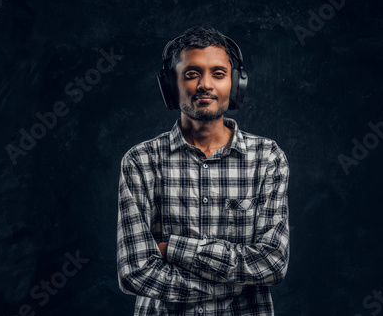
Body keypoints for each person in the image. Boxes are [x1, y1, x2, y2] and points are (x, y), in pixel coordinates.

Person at [117, 26, 290, 315]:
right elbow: (135, 272)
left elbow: (272, 263)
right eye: (192, 73)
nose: (205, 84)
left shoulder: (267, 158)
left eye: (218, 74)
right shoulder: (141, 161)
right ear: (171, 85)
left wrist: (172, 249)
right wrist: (230, 286)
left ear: (235, 84)